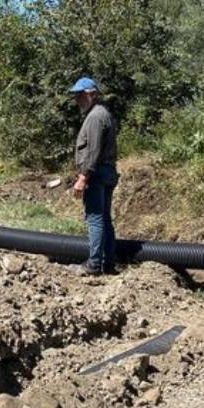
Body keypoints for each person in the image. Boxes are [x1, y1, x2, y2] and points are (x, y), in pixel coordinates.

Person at [70, 76, 118, 276]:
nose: (76, 100)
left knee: (95, 219)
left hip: (96, 174)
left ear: (90, 94)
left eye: (79, 95)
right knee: (104, 219)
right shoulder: (103, 114)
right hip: (106, 172)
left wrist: (83, 177)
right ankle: (108, 264)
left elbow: (93, 150)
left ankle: (94, 264)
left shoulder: (95, 117)